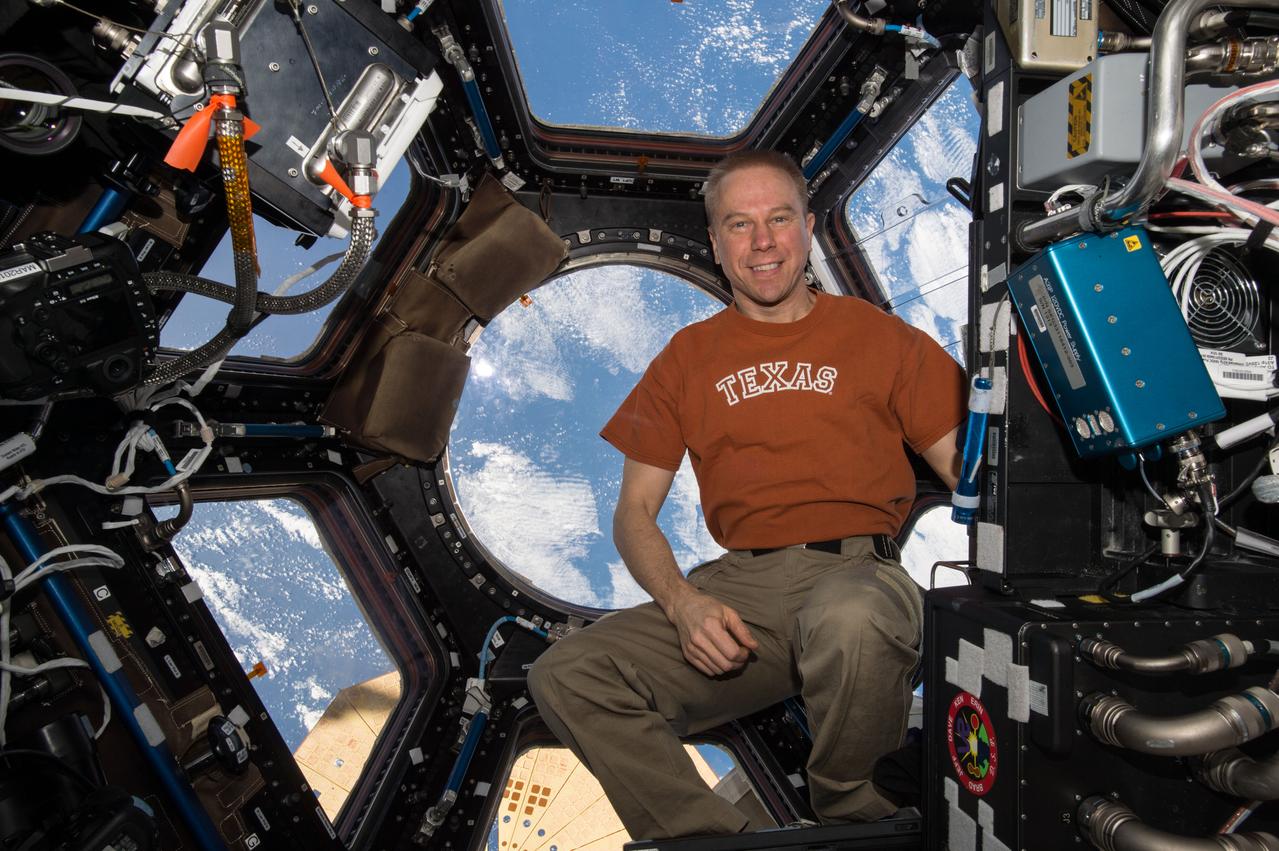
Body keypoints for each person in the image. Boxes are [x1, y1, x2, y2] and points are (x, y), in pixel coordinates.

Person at [527, 150, 967, 840]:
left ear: (808, 228)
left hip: (857, 572)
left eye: (779, 219)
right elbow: (633, 513)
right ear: (715, 242)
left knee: (850, 614)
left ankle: (855, 815)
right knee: (569, 671)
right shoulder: (686, 357)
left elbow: (967, 471)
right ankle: (710, 842)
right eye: (739, 224)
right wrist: (683, 604)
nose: (762, 241)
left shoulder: (880, 337)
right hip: (743, 591)